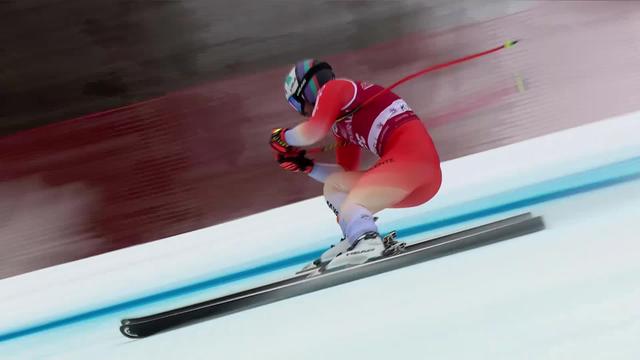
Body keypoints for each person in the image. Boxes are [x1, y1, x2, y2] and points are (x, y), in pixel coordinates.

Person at [270, 59, 442, 267]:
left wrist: (282, 137)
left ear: (308, 91)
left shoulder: (335, 88)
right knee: (334, 185)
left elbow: (313, 131)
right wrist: (307, 166)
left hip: (412, 162)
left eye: (297, 104)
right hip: (417, 177)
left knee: (353, 202)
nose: (303, 112)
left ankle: (366, 240)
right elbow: (344, 173)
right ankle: (356, 235)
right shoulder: (341, 126)